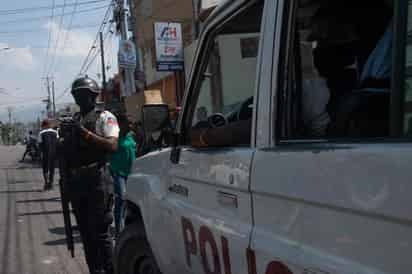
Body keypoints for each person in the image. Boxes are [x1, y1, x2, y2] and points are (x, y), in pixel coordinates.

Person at [62, 76, 119, 274]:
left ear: (94, 96)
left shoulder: (105, 116)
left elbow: (112, 145)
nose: (80, 98)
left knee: (101, 234)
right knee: (86, 234)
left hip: (97, 180)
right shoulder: (74, 120)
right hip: (77, 183)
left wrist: (84, 133)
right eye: (77, 95)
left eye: (84, 94)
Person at [109, 113, 136, 237]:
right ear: (120, 124)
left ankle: (127, 226)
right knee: (121, 198)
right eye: (128, 123)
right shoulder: (114, 138)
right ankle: (119, 231)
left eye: (131, 123)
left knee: (130, 200)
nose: (131, 125)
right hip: (118, 172)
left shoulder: (131, 136)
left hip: (132, 173)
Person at [38, 121, 58, 190]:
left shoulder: (41, 133)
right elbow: (57, 142)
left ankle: (46, 183)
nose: (42, 127)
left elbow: (40, 145)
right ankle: (51, 183)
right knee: (52, 168)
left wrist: (40, 154)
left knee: (45, 168)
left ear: (45, 125)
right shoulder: (55, 132)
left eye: (42, 126)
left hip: (45, 153)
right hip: (54, 153)